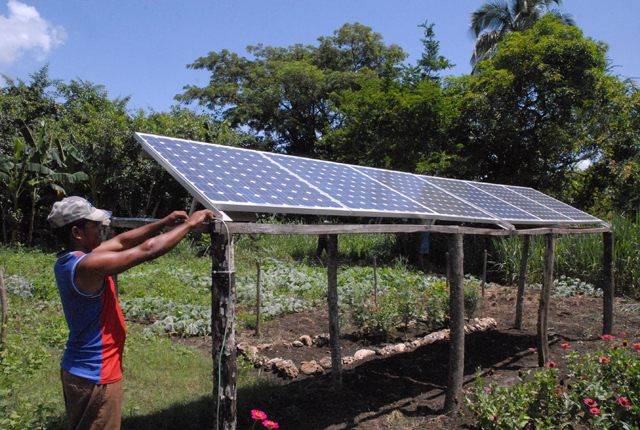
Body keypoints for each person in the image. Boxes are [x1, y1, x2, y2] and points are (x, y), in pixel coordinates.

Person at [47, 196, 213, 430]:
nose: (102, 230)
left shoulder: (72, 259)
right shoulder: (87, 266)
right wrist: (190, 225)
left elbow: (122, 241)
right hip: (96, 373)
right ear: (77, 232)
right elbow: (148, 250)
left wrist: (163, 222)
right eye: (95, 226)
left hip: (81, 370)